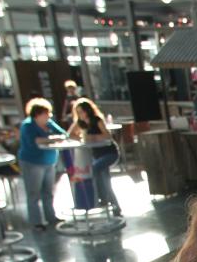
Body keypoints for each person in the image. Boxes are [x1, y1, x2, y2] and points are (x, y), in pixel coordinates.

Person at [17, 97, 66, 230]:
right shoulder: (28, 125)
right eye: (45, 114)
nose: (48, 116)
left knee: (48, 191)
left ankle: (51, 217)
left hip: (49, 161)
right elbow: (36, 141)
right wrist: (51, 139)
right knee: (34, 192)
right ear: (37, 114)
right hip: (32, 162)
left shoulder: (49, 123)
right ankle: (36, 221)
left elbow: (63, 134)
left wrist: (54, 138)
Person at [67, 97, 120, 214]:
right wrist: (81, 138)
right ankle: (113, 205)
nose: (81, 114)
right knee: (105, 180)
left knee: (95, 170)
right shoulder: (80, 123)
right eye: (78, 112)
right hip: (97, 155)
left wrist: (94, 138)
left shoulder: (96, 120)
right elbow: (69, 134)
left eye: (82, 111)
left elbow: (108, 136)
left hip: (109, 153)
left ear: (88, 110)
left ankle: (103, 199)